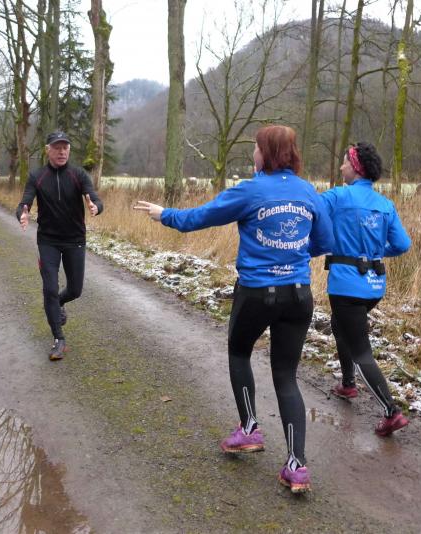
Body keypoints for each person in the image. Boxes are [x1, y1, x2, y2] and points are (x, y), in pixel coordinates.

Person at [134, 125, 333, 493]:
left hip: (257, 293)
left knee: (239, 352)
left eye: (256, 148)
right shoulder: (310, 192)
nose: (252, 154)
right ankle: (297, 465)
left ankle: (250, 428)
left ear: (267, 153)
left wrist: (165, 214)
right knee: (286, 376)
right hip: (299, 295)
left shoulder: (250, 190)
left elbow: (200, 218)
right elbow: (324, 242)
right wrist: (291, 252)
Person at [321, 142, 412, 436]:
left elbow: (309, 211)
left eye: (345, 162)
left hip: (346, 287)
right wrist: (373, 252)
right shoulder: (385, 204)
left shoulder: (338, 196)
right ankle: (348, 385)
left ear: (356, 167)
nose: (341, 167)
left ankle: (391, 412)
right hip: (373, 287)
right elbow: (402, 244)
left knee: (361, 350)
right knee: (340, 325)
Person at [15, 131, 103, 361]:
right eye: (57, 148)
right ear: (48, 150)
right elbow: (25, 202)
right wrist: (22, 213)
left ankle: (59, 302)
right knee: (49, 289)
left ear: (69, 150)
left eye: (65, 148)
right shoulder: (37, 176)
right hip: (48, 241)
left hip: (75, 239)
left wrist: (95, 206)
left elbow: (94, 197)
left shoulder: (78, 174)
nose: (62, 152)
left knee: (75, 290)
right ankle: (58, 339)